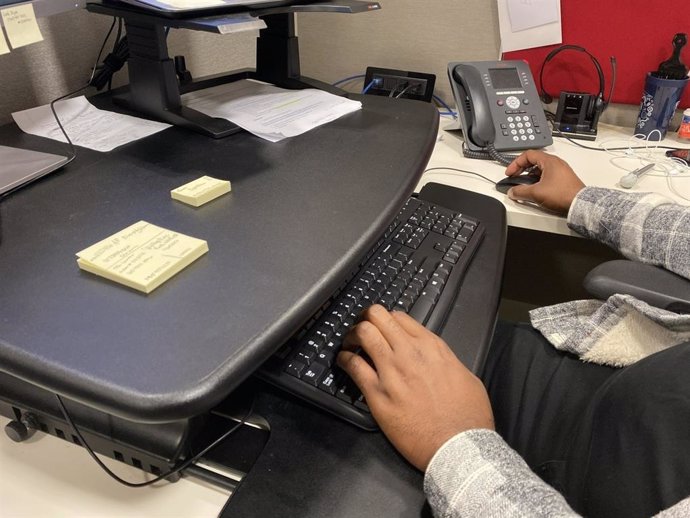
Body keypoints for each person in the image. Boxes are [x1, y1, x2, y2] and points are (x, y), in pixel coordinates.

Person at [337, 150, 690, 518]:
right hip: (624, 373)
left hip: (581, 475)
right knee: (429, 327)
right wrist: (582, 199)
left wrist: (455, 444)